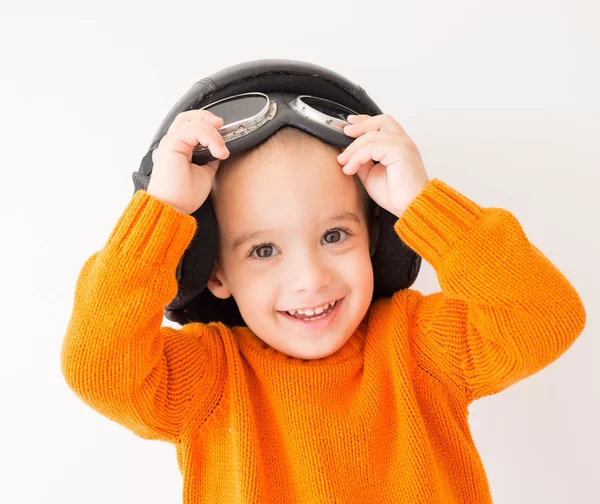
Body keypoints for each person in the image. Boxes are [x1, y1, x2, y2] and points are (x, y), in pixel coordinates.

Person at [61, 69, 587, 502]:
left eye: (335, 235)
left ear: (375, 234)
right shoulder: (211, 377)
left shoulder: (419, 343)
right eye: (263, 250)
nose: (310, 278)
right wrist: (162, 212)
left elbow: (543, 317)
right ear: (217, 273)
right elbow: (98, 367)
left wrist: (421, 202)